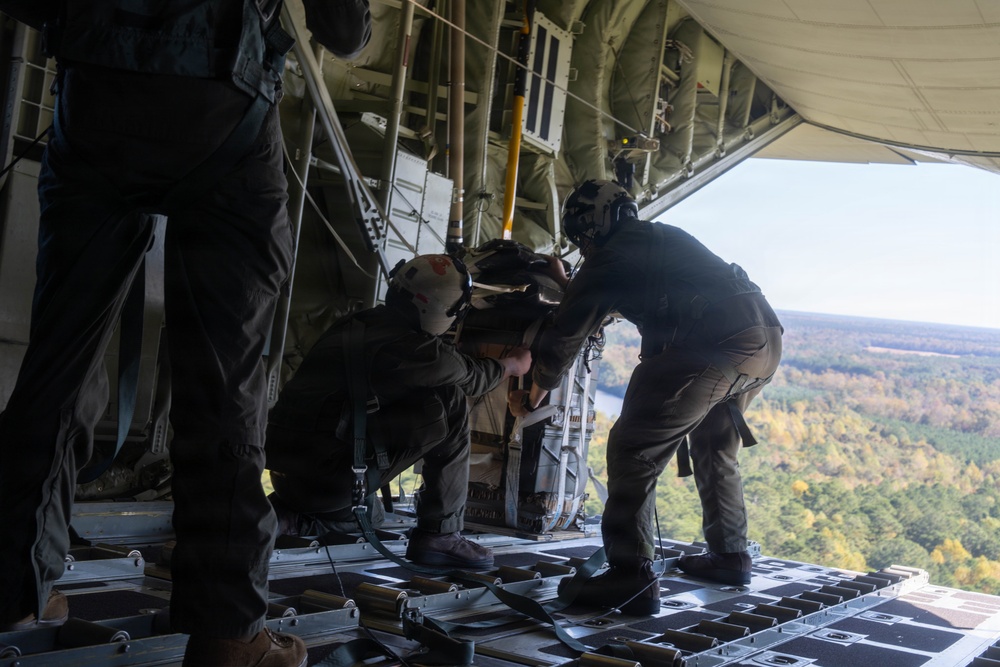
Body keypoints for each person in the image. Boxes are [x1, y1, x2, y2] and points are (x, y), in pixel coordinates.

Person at [0, 2, 371, 665]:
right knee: (224, 384)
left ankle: (16, 587)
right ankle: (229, 631)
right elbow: (343, 30)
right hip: (223, 109)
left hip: (95, 99)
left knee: (59, 358)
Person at [509, 179, 783, 614]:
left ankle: (630, 577)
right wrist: (572, 286)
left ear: (591, 228)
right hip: (762, 341)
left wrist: (537, 387)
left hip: (713, 346)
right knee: (714, 447)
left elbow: (567, 332)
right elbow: (633, 296)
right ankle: (730, 556)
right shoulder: (661, 237)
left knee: (633, 450)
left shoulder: (612, 257)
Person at [266, 254, 532, 569]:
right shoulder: (417, 351)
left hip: (287, 476)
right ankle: (441, 534)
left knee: (374, 515)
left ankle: (288, 515)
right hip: (329, 485)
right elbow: (473, 378)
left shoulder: (356, 322)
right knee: (449, 401)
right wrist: (512, 364)